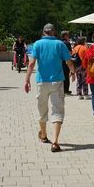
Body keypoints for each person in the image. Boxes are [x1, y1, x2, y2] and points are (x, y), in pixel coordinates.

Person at [24, 23, 76, 153]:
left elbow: (31, 64)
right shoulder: (60, 44)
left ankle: (44, 135)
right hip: (57, 82)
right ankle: (55, 142)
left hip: (41, 82)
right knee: (57, 110)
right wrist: (73, 72)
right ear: (54, 32)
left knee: (42, 109)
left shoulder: (37, 44)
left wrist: (27, 80)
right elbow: (68, 61)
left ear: (43, 32)